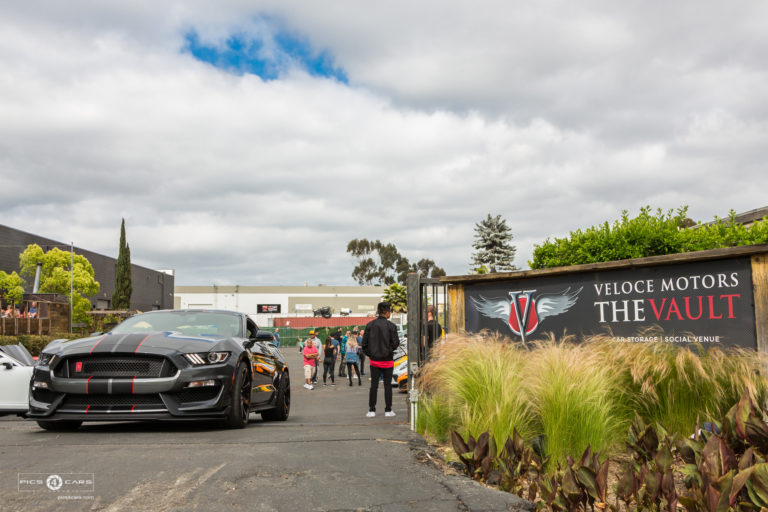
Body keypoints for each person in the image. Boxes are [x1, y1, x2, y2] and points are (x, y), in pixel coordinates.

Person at [361, 302, 400, 418]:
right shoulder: (391, 326)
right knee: (388, 386)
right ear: (387, 312)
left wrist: (371, 354)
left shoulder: (370, 325)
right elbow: (396, 343)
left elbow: (364, 344)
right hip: (388, 361)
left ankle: (371, 410)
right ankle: (388, 410)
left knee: (374, 385)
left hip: (374, 361)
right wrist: (388, 351)